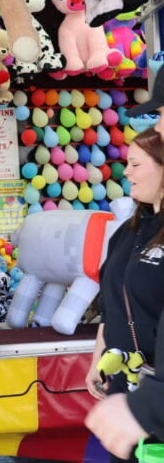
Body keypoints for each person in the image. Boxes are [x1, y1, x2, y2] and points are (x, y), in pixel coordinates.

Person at [83, 127, 164, 462]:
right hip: (127, 387)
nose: (126, 172)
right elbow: (111, 304)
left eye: (136, 164)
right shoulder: (127, 230)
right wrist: (98, 361)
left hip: (157, 395)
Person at [85, 310, 164, 459]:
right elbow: (109, 309)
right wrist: (96, 361)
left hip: (152, 394)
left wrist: (149, 403)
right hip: (125, 386)